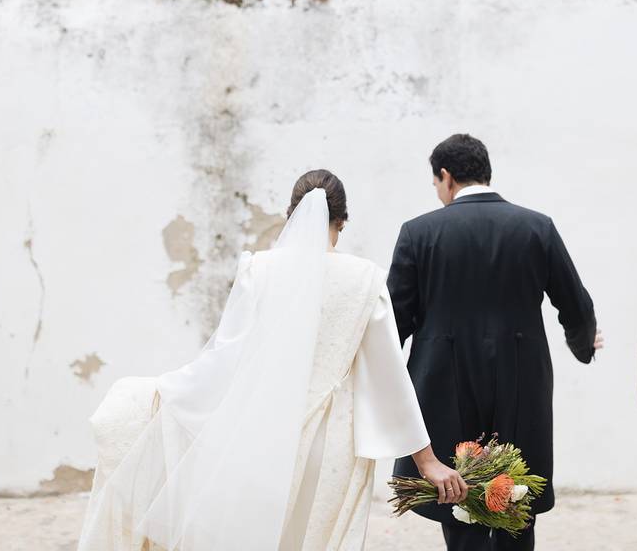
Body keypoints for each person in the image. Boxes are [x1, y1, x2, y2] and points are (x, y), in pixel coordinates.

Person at [76, 169, 466, 551]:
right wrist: (426, 460)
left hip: (261, 429)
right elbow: (389, 376)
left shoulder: (257, 270)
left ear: (290, 216)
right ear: (342, 222)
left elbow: (228, 355)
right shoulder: (365, 279)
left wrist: (168, 392)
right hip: (334, 444)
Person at [389, 134, 604, 551]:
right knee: (515, 500)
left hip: (445, 386)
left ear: (446, 177)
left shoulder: (418, 233)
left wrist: (381, 383)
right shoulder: (536, 227)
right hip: (519, 383)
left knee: (457, 498)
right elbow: (576, 304)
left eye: (437, 184)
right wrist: (584, 345)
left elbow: (394, 323)